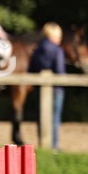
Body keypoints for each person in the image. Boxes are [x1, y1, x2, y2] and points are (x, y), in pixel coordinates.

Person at [29, 22, 66, 151]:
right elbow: (60, 71)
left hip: (39, 89)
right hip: (56, 90)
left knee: (41, 116)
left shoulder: (37, 50)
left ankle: (42, 143)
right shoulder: (57, 50)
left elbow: (31, 70)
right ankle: (54, 145)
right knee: (55, 117)